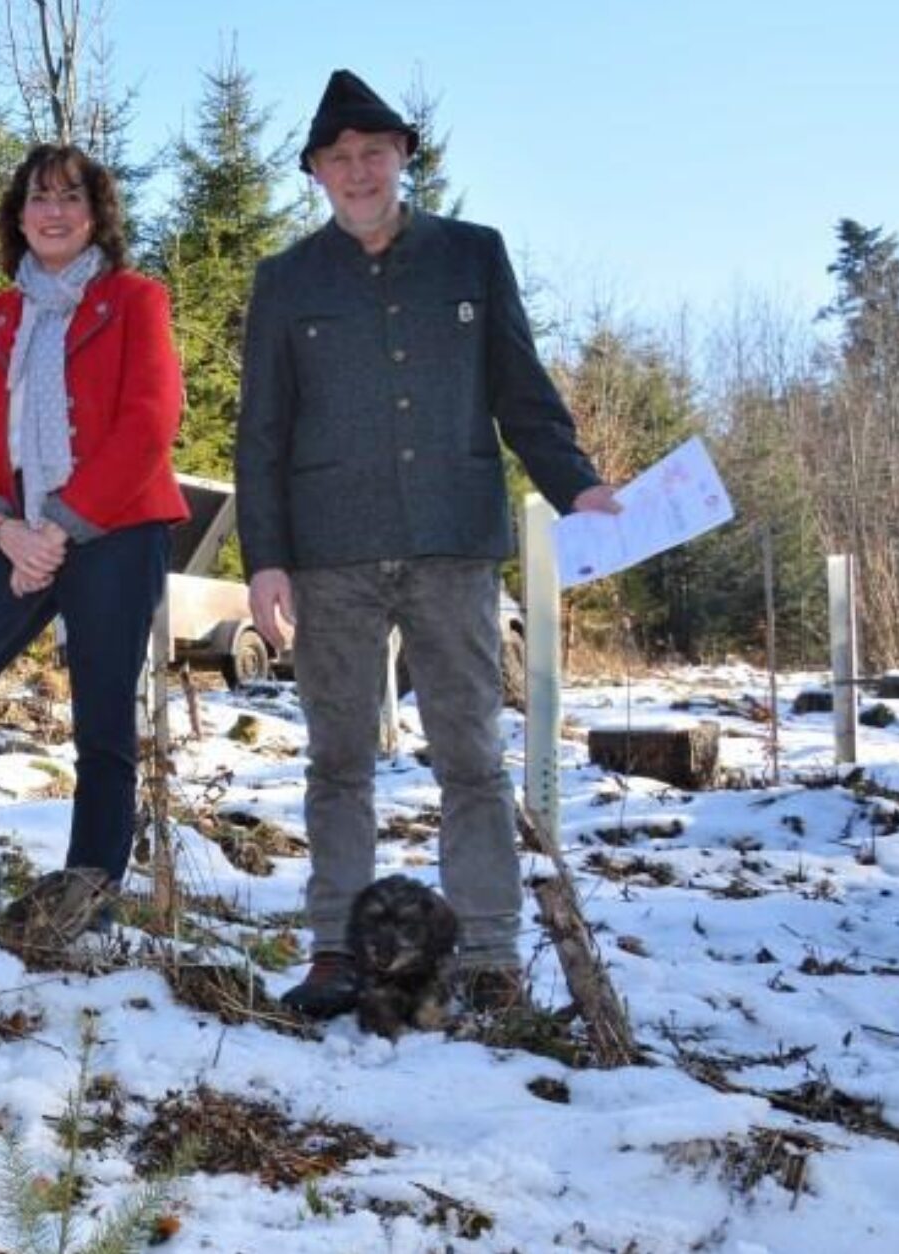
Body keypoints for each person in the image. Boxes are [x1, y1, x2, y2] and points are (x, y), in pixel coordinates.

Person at [236, 69, 622, 1019]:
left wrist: (577, 486)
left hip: (454, 541)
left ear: (404, 157)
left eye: (374, 154)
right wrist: (266, 556)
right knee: (337, 761)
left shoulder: (473, 258)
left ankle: (488, 952)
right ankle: (336, 949)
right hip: (332, 550)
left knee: (471, 756)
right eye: (339, 159)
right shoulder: (287, 282)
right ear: (317, 174)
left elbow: (521, 394)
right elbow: (263, 435)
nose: (358, 172)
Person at [0, 144, 188, 924]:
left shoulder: (134, 301)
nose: (54, 213)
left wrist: (56, 525)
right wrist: (0, 526)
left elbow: (148, 424)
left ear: (97, 217)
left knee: (102, 727)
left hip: (118, 530)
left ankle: (85, 904)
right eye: (40, 199)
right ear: (18, 216)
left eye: (71, 199)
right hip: (17, 536)